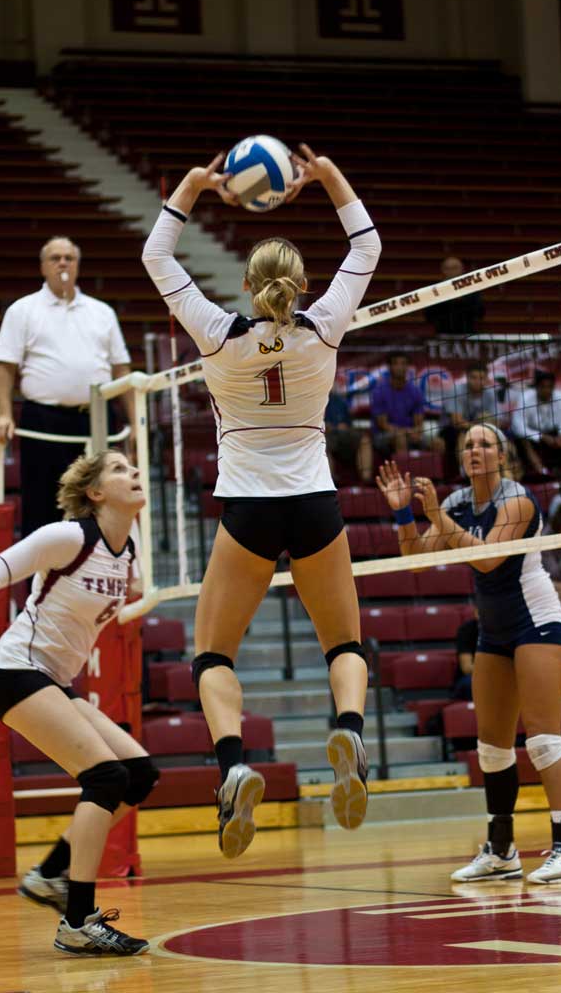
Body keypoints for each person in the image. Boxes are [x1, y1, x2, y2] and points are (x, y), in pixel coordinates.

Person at [142, 145, 380, 857]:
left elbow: (157, 256)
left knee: (213, 653)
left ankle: (234, 767)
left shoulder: (219, 336)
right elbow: (366, 245)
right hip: (315, 502)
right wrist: (328, 176)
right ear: (302, 285)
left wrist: (192, 186)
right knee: (344, 643)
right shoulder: (324, 326)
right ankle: (349, 732)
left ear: (247, 286)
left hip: (247, 506)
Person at [0, 450, 156, 956]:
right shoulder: (67, 537)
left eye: (133, 466)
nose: (134, 473)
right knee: (106, 777)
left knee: (139, 774)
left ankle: (50, 874)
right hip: (14, 672)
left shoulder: (128, 552)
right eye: (119, 469)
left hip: (52, 679)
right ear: (95, 493)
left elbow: (111, 608)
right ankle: (78, 921)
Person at [377, 422, 561, 883]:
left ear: (502, 456)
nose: (475, 450)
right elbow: (415, 559)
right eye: (468, 444)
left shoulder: (517, 500)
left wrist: (439, 516)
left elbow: (488, 559)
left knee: (542, 739)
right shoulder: (456, 502)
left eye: (485, 444)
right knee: (491, 748)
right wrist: (404, 514)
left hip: (537, 622)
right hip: (494, 632)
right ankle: (501, 851)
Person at [0, 235, 134, 537]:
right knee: (42, 504)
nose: (63, 263)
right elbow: (4, 368)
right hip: (43, 420)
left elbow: (122, 370)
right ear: (43, 267)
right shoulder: (22, 310)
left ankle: (100, 565)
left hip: (96, 419)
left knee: (102, 502)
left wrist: (135, 422)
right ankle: (42, 569)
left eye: (69, 258)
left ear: (78, 265)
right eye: (55, 258)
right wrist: (3, 415)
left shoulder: (102, 312)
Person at [371, 352, 445, 459]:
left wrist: (415, 432)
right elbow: (383, 424)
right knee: (400, 438)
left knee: (438, 443)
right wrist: (405, 432)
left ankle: (435, 471)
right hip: (383, 436)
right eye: (396, 363)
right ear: (389, 367)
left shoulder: (415, 391)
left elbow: (419, 423)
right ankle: (404, 470)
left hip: (410, 434)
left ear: (407, 367)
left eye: (403, 363)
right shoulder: (379, 391)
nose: (400, 367)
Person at [510, 370, 561, 477]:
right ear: (536, 387)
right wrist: (541, 436)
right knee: (523, 439)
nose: (547, 390)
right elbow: (518, 427)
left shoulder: (560, 397)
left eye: (550, 387)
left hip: (553, 433)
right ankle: (542, 471)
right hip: (532, 435)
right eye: (543, 387)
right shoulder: (526, 398)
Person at [425, 255, 485, 334]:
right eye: (447, 269)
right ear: (442, 270)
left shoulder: (472, 289)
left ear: (462, 269)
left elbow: (480, 314)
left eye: (455, 268)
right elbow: (428, 316)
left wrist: (462, 300)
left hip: (467, 333)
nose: (451, 272)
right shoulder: (434, 290)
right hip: (443, 333)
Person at [324, 387, 373, 483]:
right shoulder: (316, 401)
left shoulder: (339, 400)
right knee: (323, 444)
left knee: (365, 440)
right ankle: (330, 481)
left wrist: (345, 426)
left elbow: (349, 423)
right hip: (326, 436)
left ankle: (366, 479)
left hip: (344, 435)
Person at [453, 605, 477, 701]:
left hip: (493, 673)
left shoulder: (503, 630)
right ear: (476, 612)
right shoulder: (466, 630)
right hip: (469, 677)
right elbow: (467, 668)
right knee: (472, 682)